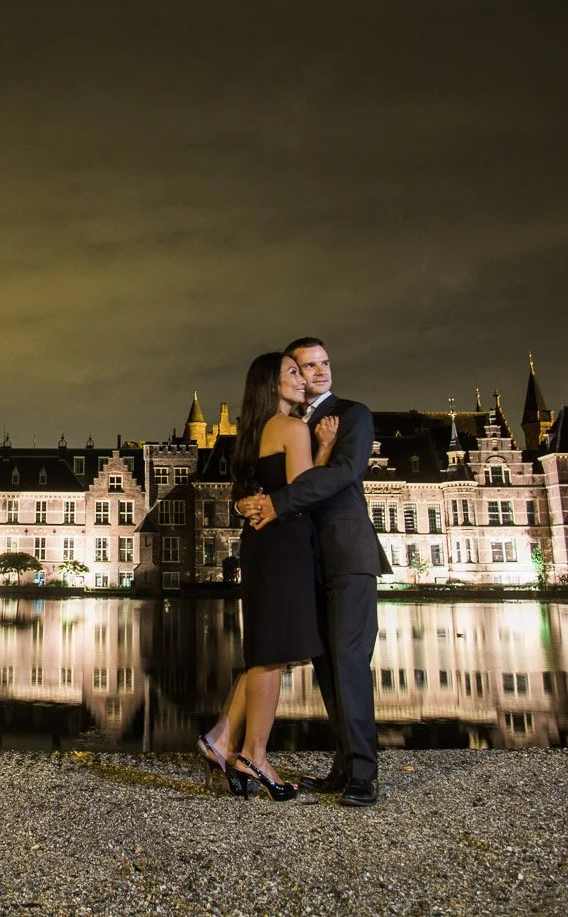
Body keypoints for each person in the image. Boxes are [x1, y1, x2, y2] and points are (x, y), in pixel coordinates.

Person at [238, 337, 389, 808]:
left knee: (349, 659)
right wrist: (248, 501)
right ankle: (343, 766)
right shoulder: (291, 424)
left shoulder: (353, 414)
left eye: (324, 363)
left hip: (347, 555)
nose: (318, 372)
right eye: (306, 367)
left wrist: (277, 502)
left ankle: (364, 773)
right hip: (307, 560)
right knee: (327, 666)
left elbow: (345, 472)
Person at [196, 351, 337, 801]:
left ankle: (222, 738)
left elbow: (251, 493)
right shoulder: (293, 428)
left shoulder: (249, 435)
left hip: (259, 545)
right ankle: (254, 754)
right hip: (286, 545)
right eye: (292, 372)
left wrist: (248, 504)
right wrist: (326, 448)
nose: (302, 378)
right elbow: (306, 492)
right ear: (271, 385)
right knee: (272, 655)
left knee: (264, 652)